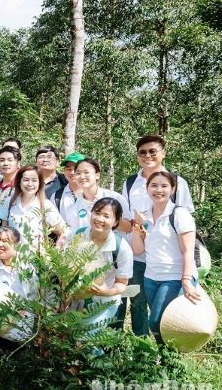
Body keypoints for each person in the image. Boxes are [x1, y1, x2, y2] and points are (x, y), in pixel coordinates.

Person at [118, 135, 195, 337]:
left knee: (163, 311)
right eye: (142, 152)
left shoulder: (178, 182)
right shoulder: (130, 183)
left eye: (153, 151)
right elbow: (125, 219)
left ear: (163, 153)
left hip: (168, 259)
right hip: (136, 255)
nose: (147, 156)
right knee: (136, 301)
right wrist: (136, 227)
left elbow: (185, 222)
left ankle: (166, 348)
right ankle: (141, 347)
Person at [130, 171, 201, 345]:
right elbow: (138, 250)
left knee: (156, 321)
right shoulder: (145, 216)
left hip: (174, 278)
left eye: (164, 186)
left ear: (173, 189)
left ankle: (169, 361)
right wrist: (137, 226)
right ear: (147, 188)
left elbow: (188, 251)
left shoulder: (179, 214)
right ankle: (165, 360)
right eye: (154, 185)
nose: (158, 190)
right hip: (151, 278)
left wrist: (186, 280)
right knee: (165, 323)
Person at [77, 198, 132, 335]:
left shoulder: (121, 248)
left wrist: (105, 291)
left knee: (87, 340)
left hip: (103, 302)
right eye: (97, 213)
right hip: (76, 300)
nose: (100, 219)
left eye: (106, 216)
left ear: (116, 222)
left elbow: (122, 284)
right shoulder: (78, 235)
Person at [0, 226, 37, 343]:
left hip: (40, 317)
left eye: (5, 241)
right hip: (11, 319)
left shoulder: (31, 265)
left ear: (17, 244)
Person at [0, 165, 68, 250]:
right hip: (12, 258)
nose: (30, 184)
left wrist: (55, 252)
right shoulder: (9, 202)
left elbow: (64, 230)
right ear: (19, 181)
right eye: (26, 180)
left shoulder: (45, 205)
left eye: (34, 180)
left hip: (36, 260)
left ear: (39, 183)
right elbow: (4, 230)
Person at [65, 158, 131, 238]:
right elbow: (74, 236)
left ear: (97, 175)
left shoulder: (115, 198)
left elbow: (129, 227)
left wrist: (107, 214)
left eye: (86, 172)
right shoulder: (74, 207)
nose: (82, 176)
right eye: (78, 173)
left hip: (114, 248)